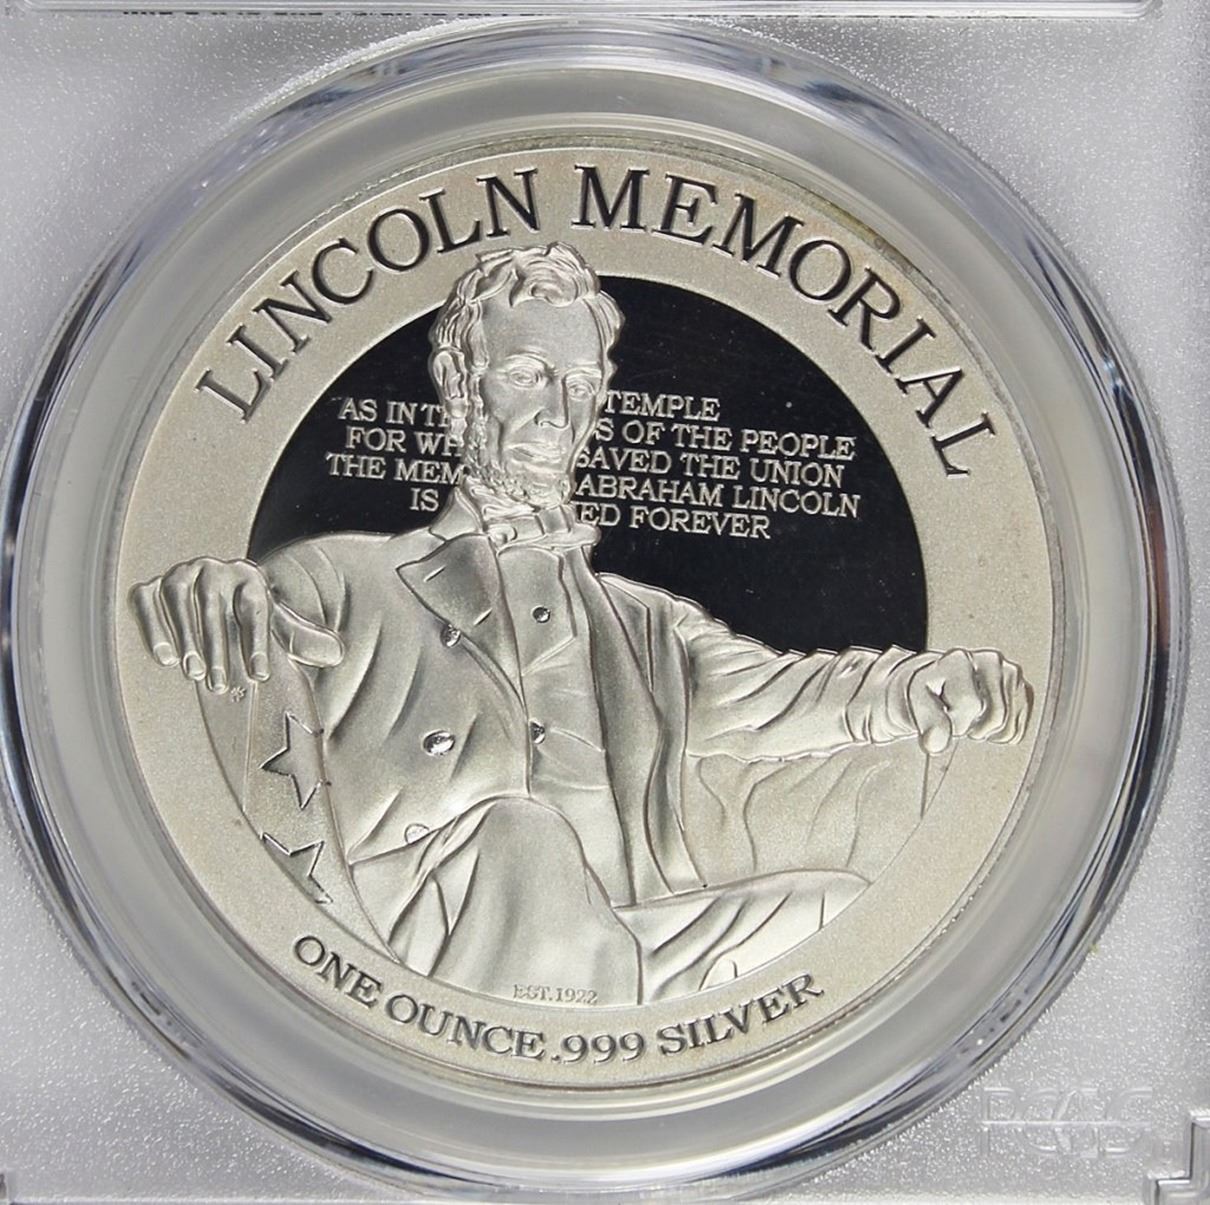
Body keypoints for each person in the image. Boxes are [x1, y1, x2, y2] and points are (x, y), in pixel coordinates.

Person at [131, 243, 1031, 1005]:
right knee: (524, 840)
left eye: (578, 383)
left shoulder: (644, 625)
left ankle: (617, 1057)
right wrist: (214, 588)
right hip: (421, 937)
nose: (555, 412)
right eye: (526, 375)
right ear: (461, 386)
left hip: (628, 934)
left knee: (833, 905)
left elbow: (787, 694)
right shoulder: (346, 574)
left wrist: (919, 686)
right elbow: (254, 615)